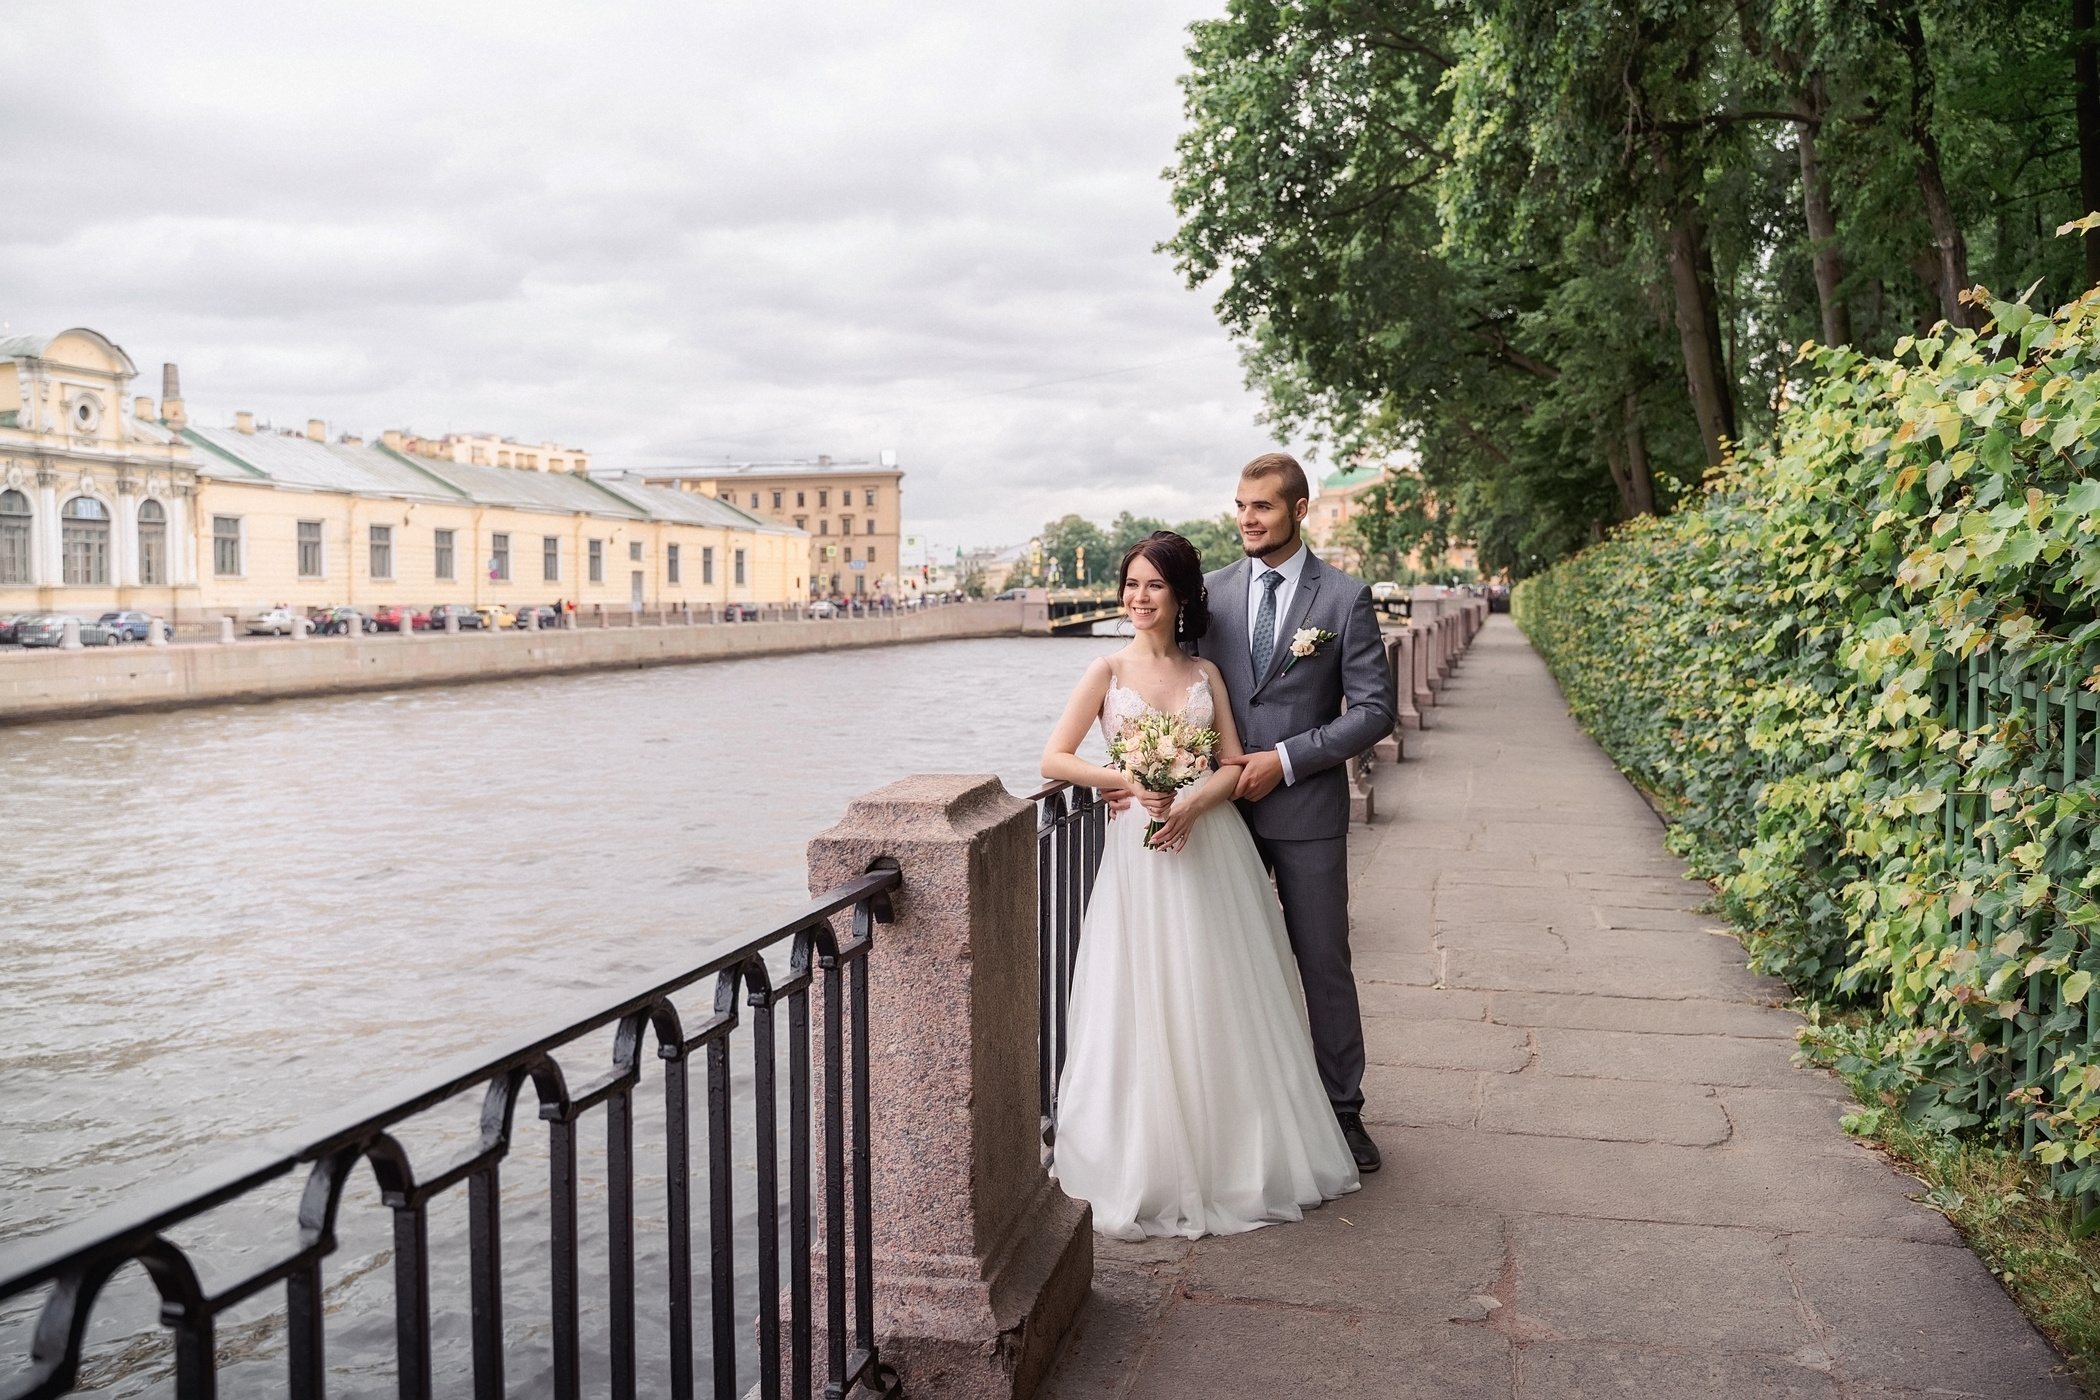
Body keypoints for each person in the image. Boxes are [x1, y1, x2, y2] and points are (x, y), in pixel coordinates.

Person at [1042, 530, 1359, 1239]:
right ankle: (1146, 1154)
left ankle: (1233, 1152)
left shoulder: (1205, 674)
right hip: (1138, 855)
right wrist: (1125, 779)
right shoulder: (1105, 671)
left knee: (1217, 988)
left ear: (1182, 596)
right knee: (1140, 991)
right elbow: (1055, 759)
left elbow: (1229, 761)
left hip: (1209, 841)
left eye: (1153, 586)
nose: (1138, 598)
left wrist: (1193, 801)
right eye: (1131, 584)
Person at [1197, 452, 1395, 1173]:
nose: (1248, 519)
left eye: (1264, 507)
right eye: (1242, 505)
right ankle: (1237, 1111)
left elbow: (1372, 711)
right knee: (1219, 964)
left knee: (1322, 962)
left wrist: (1281, 760)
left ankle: (1344, 1113)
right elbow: (1180, 685)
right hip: (1221, 817)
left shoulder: (1344, 599)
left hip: (1306, 808)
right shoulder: (1209, 594)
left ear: (1299, 510)